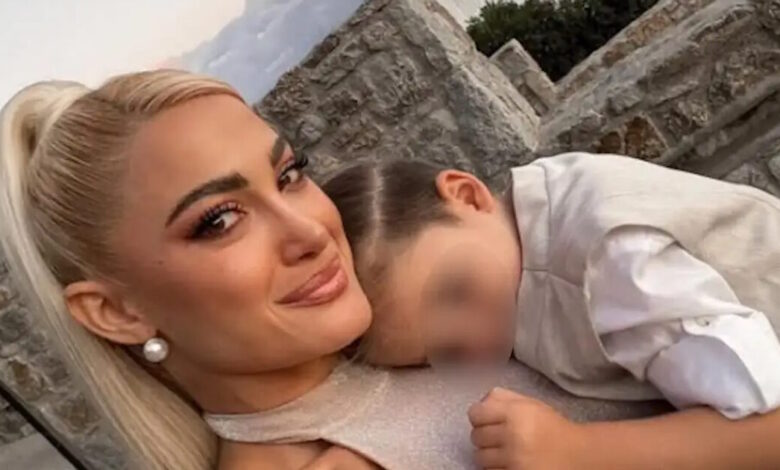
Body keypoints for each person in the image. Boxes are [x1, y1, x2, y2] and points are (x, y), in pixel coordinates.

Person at [0, 70, 666, 470]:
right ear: (118, 312)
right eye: (220, 220)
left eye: (290, 175)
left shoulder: (420, 324)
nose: (311, 231)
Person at [322, 154, 780, 469]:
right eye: (449, 353)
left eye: (454, 291)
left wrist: (578, 450)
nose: (482, 339)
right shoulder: (525, 223)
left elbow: (768, 427)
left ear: (467, 194)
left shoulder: (608, 262)